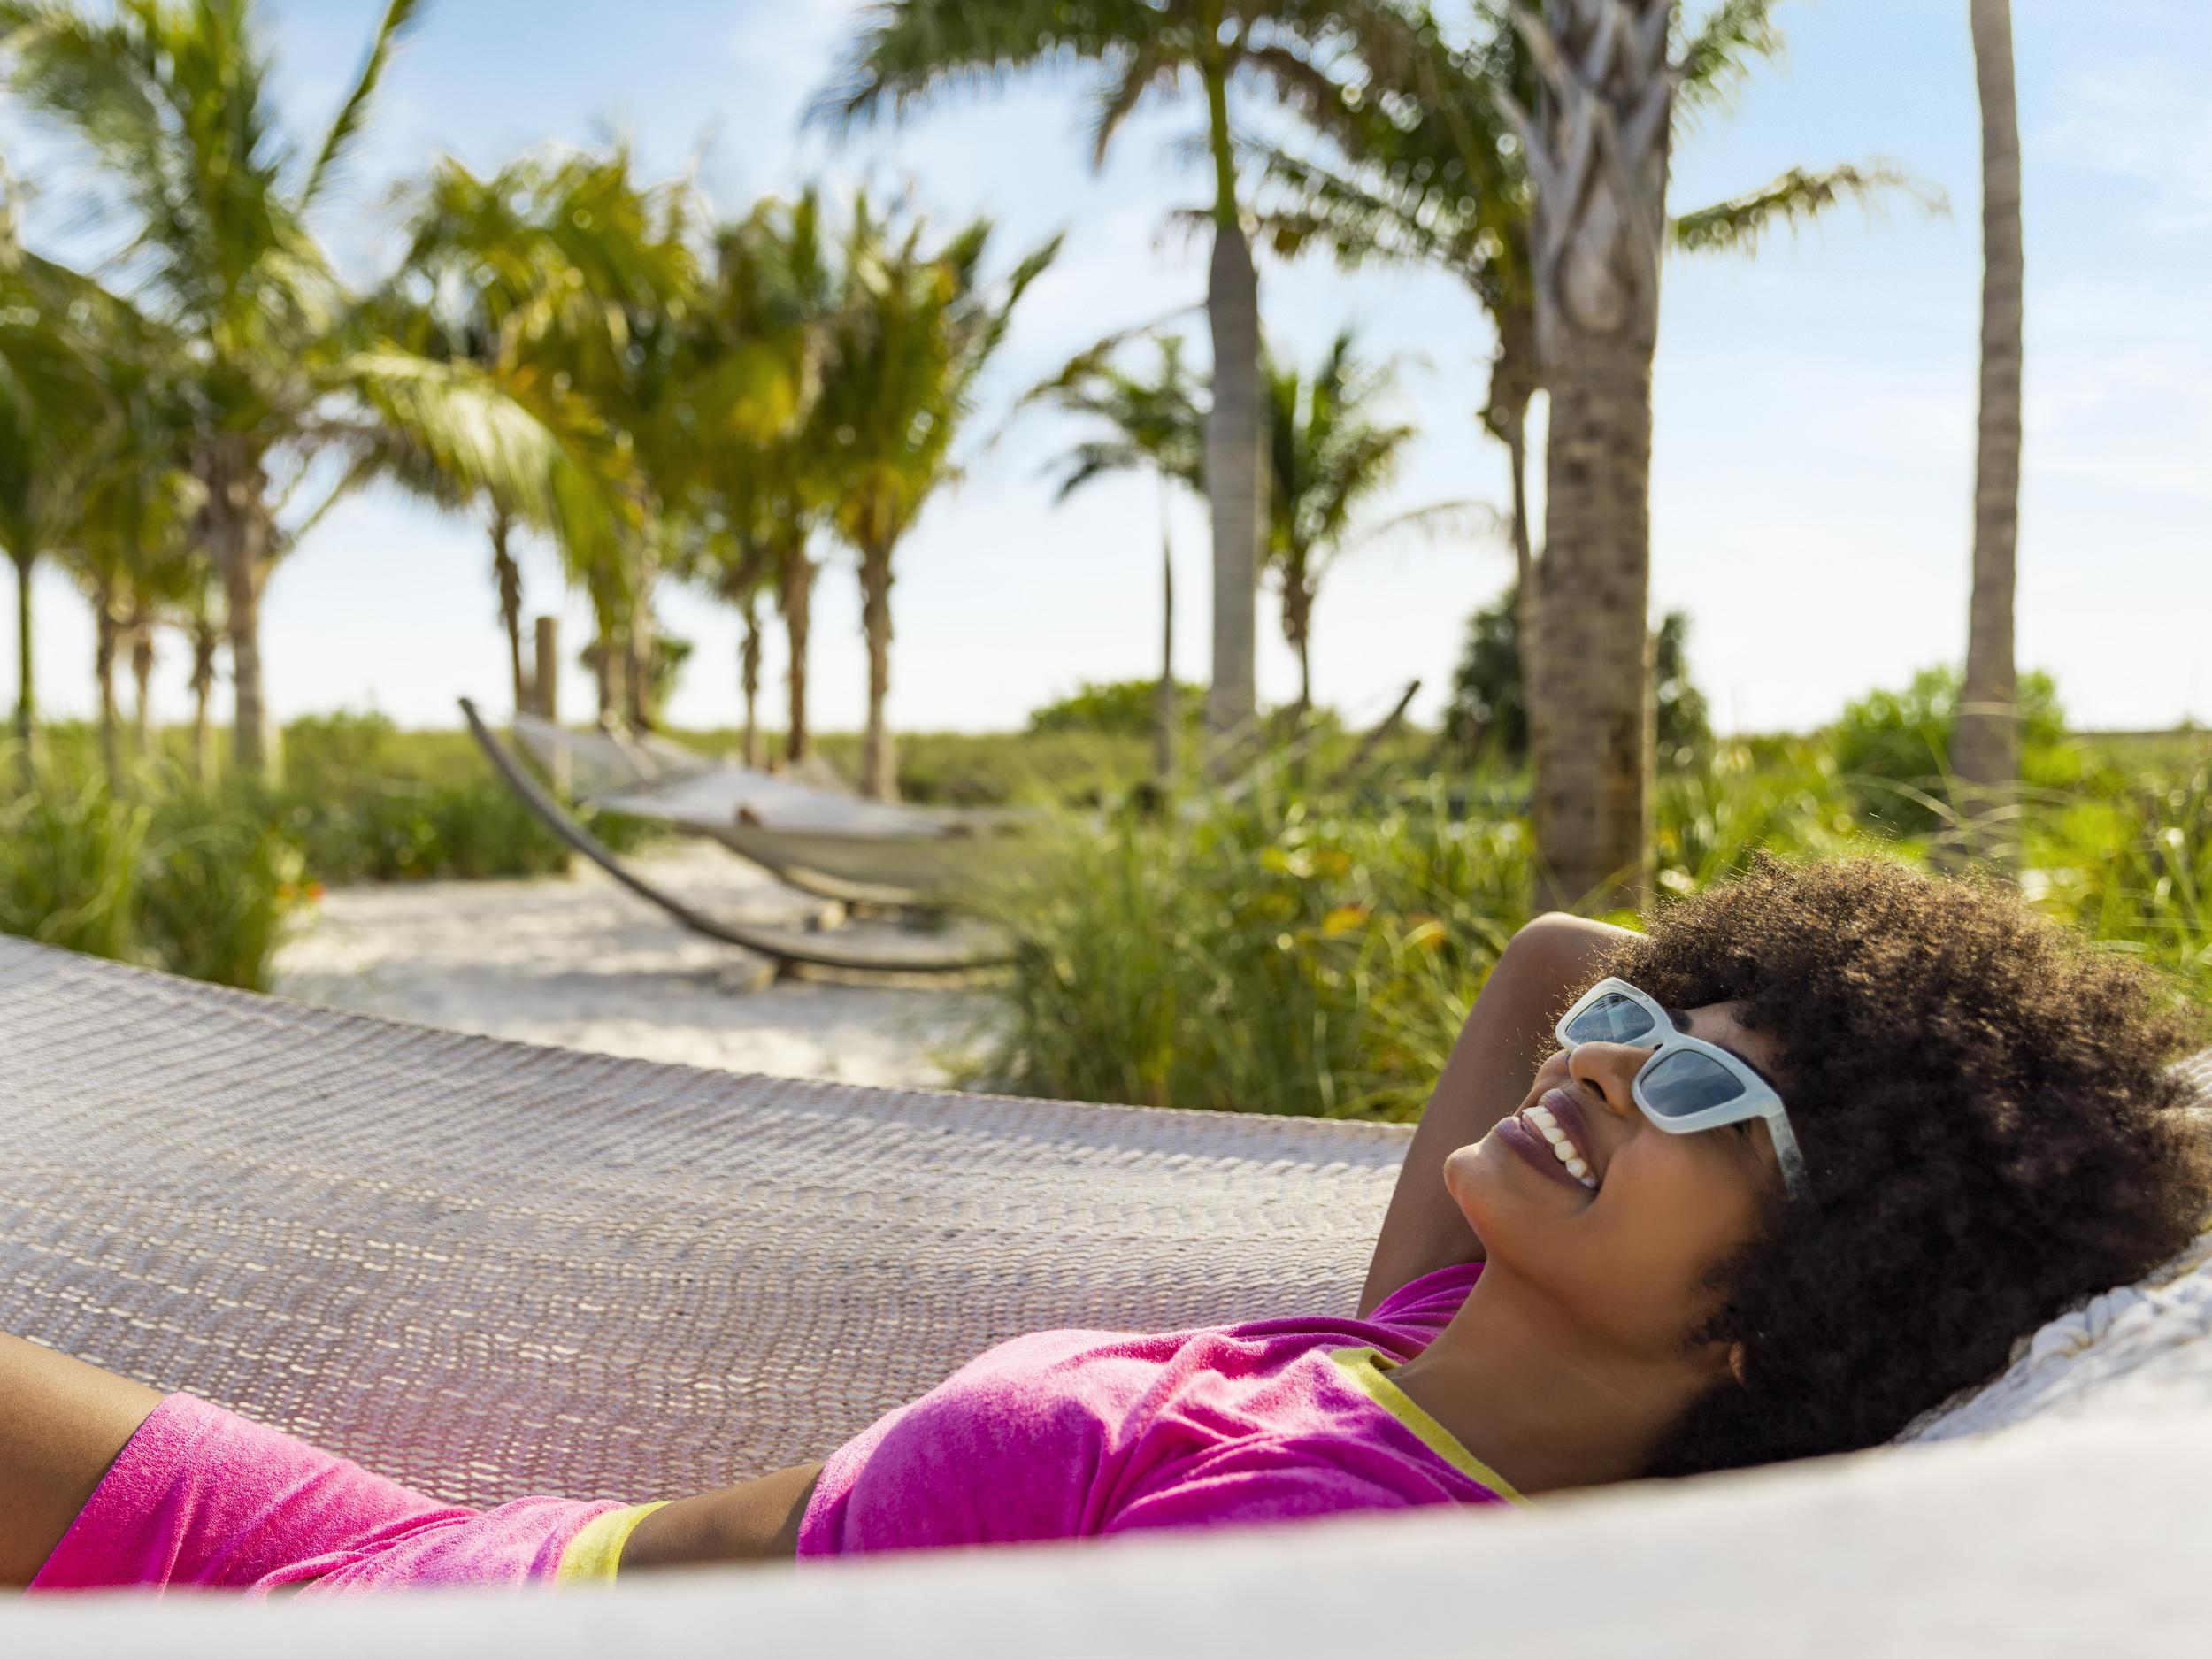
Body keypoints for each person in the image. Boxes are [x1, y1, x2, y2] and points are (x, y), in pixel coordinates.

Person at [8, 856, 2208, 1594]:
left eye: (1711, 1092)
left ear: (1802, 1303)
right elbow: (1548, 951)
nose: (1610, 1064)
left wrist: (1970, 1204)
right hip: (456, 1550)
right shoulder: (1428, 1344)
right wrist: (2026, 1120)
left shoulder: (1349, 1558)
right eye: (1654, 1023)